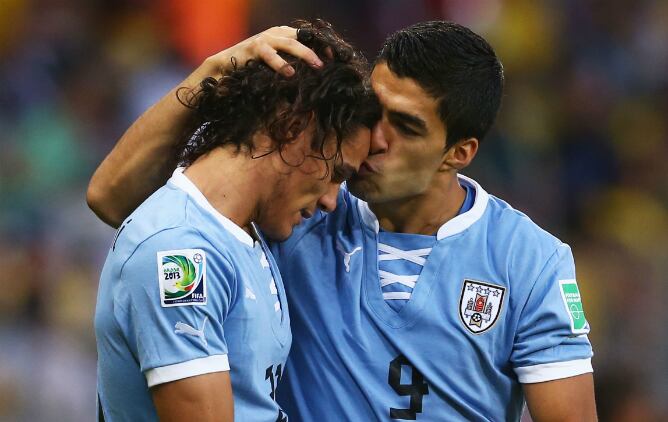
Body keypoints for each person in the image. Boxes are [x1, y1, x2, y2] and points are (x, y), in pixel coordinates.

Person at [88, 21, 597, 421]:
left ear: (458, 153)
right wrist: (212, 73)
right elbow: (114, 201)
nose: (376, 140)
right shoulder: (299, 198)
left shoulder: (532, 262)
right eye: (377, 111)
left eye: (407, 127)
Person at [92, 19, 378, 421]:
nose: (334, 200)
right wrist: (212, 72)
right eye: (337, 173)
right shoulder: (180, 250)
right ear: (294, 128)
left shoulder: (246, 227)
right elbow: (107, 197)